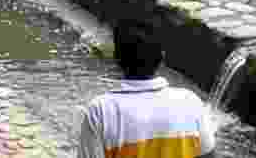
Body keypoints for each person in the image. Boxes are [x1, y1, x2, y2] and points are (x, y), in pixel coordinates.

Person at [78, 19, 216, 158]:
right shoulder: (190, 102)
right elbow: (208, 154)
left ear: (117, 58)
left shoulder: (101, 111)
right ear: (162, 57)